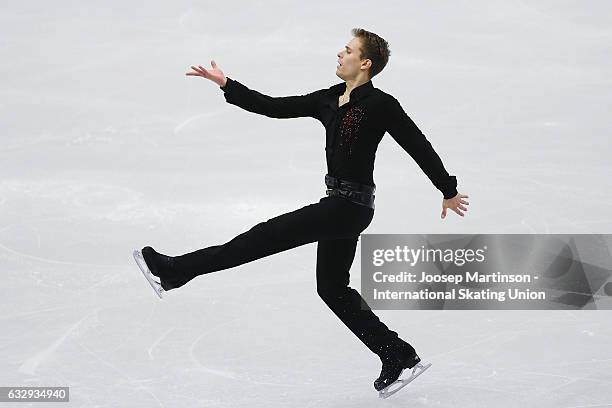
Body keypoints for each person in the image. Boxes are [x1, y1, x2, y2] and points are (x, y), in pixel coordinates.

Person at [135, 27, 469, 396]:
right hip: (341, 206)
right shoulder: (328, 99)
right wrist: (227, 84)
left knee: (259, 238)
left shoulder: (380, 105)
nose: (339, 55)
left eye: (347, 51)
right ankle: (397, 354)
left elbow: (416, 142)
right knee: (331, 288)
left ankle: (176, 270)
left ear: (365, 63)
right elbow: (275, 107)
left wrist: (447, 189)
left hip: (348, 207)